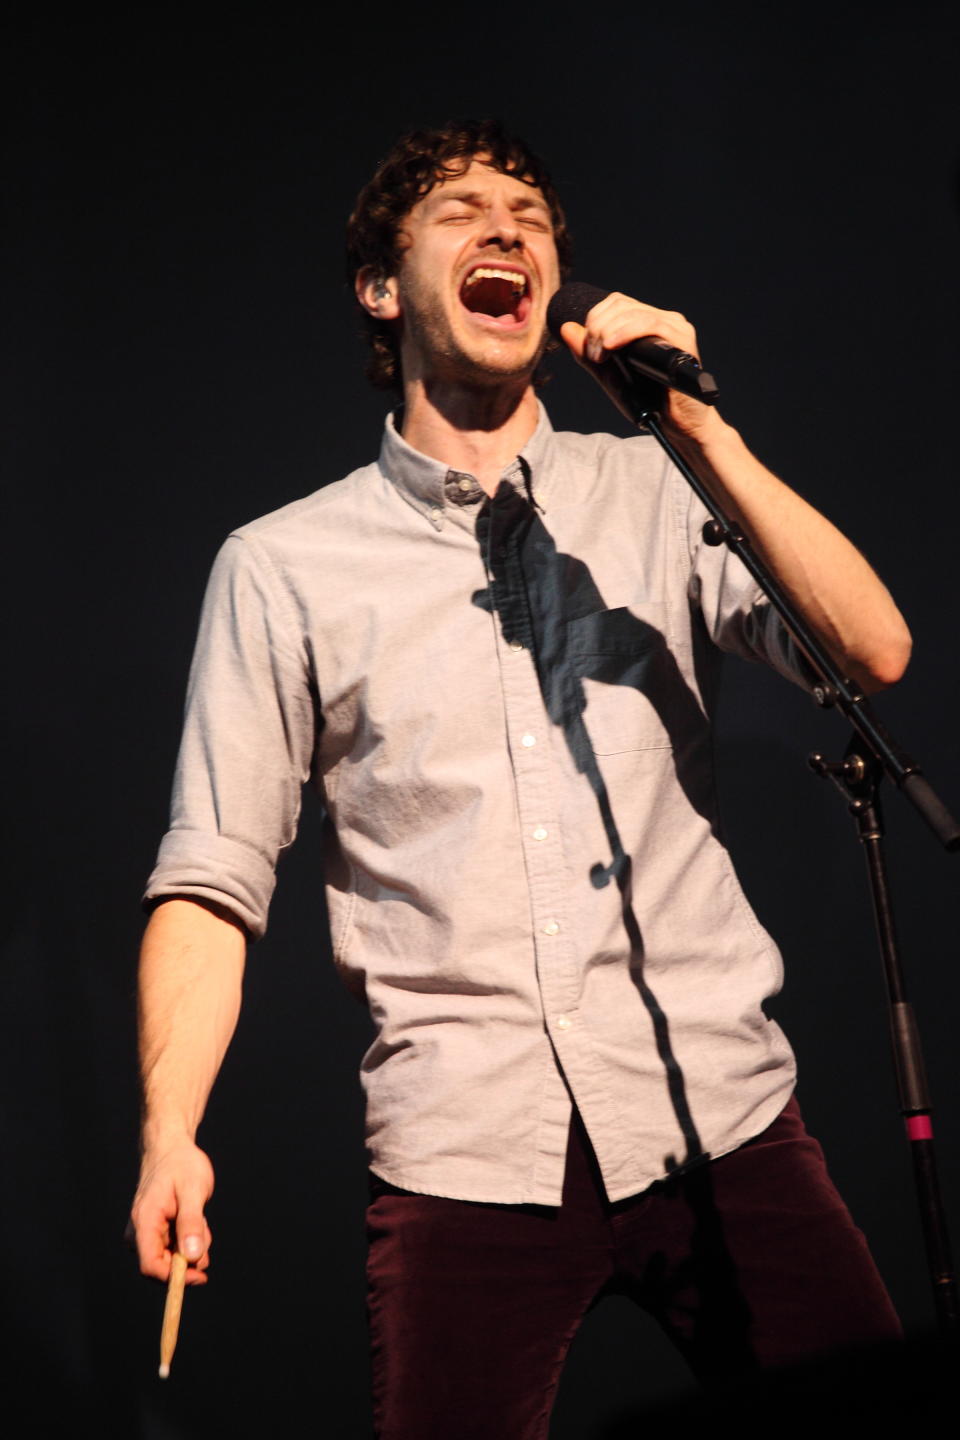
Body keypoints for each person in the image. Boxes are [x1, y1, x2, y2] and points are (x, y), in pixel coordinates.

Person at [130, 120, 911, 1436]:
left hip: (716, 1116)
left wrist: (700, 429)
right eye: (461, 209)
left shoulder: (658, 487)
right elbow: (211, 878)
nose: (507, 229)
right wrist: (169, 1131)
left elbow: (873, 649)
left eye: (531, 215)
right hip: (464, 1155)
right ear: (382, 288)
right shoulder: (283, 565)